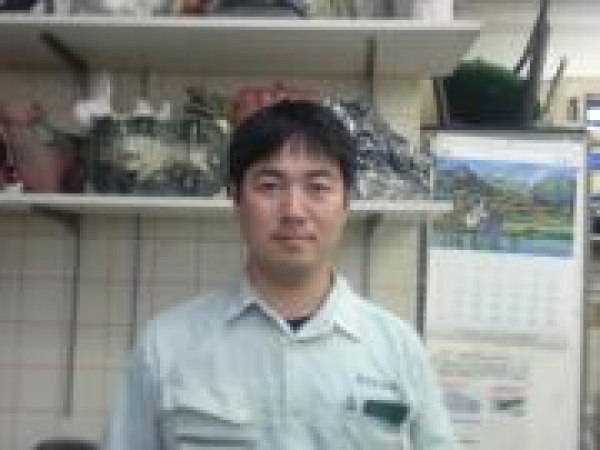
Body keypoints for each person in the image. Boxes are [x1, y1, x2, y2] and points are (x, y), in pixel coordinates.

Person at [103, 100, 455, 449]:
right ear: (236, 200)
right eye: (270, 186)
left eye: (318, 187)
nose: (293, 212)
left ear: (346, 202)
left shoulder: (398, 349)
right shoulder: (165, 348)